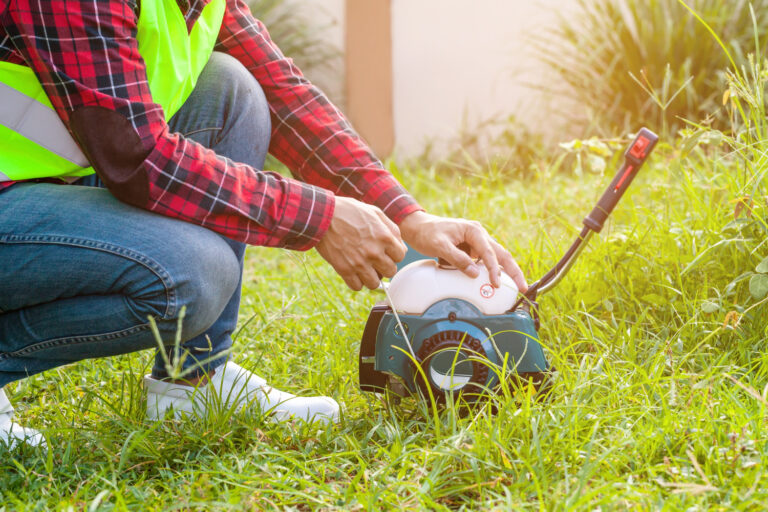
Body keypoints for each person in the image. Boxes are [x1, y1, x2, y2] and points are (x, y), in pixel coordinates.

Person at [0, 0, 528, 450]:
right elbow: (139, 160)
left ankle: (195, 383)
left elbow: (284, 94)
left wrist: (409, 218)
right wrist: (317, 217)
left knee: (232, 90)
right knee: (189, 273)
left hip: (32, 187)